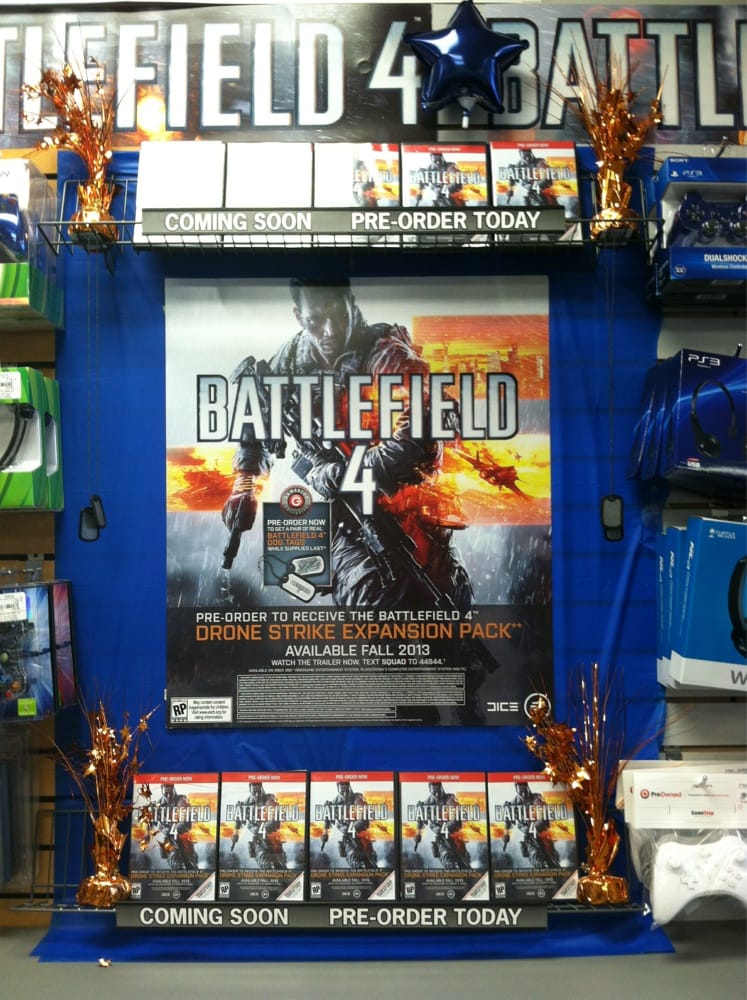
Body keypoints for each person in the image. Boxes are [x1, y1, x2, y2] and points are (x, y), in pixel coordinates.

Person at [221, 278, 473, 611]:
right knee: (373, 604)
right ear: (299, 316)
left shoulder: (387, 355)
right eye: (315, 320)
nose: (329, 331)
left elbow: (417, 441)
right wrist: (245, 486)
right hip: (347, 518)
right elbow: (255, 421)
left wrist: (342, 474)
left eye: (337, 316)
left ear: (351, 304)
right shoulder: (292, 359)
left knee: (447, 604)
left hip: (406, 509)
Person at [230, 780, 287, 870]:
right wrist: (235, 833)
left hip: (273, 840)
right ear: (250, 790)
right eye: (254, 792)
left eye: (258, 792)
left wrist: (260, 828)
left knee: (280, 867)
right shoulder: (246, 803)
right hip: (259, 842)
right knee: (267, 866)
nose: (257, 795)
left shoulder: (269, 800)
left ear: (262, 789)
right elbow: (238, 820)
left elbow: (274, 820)